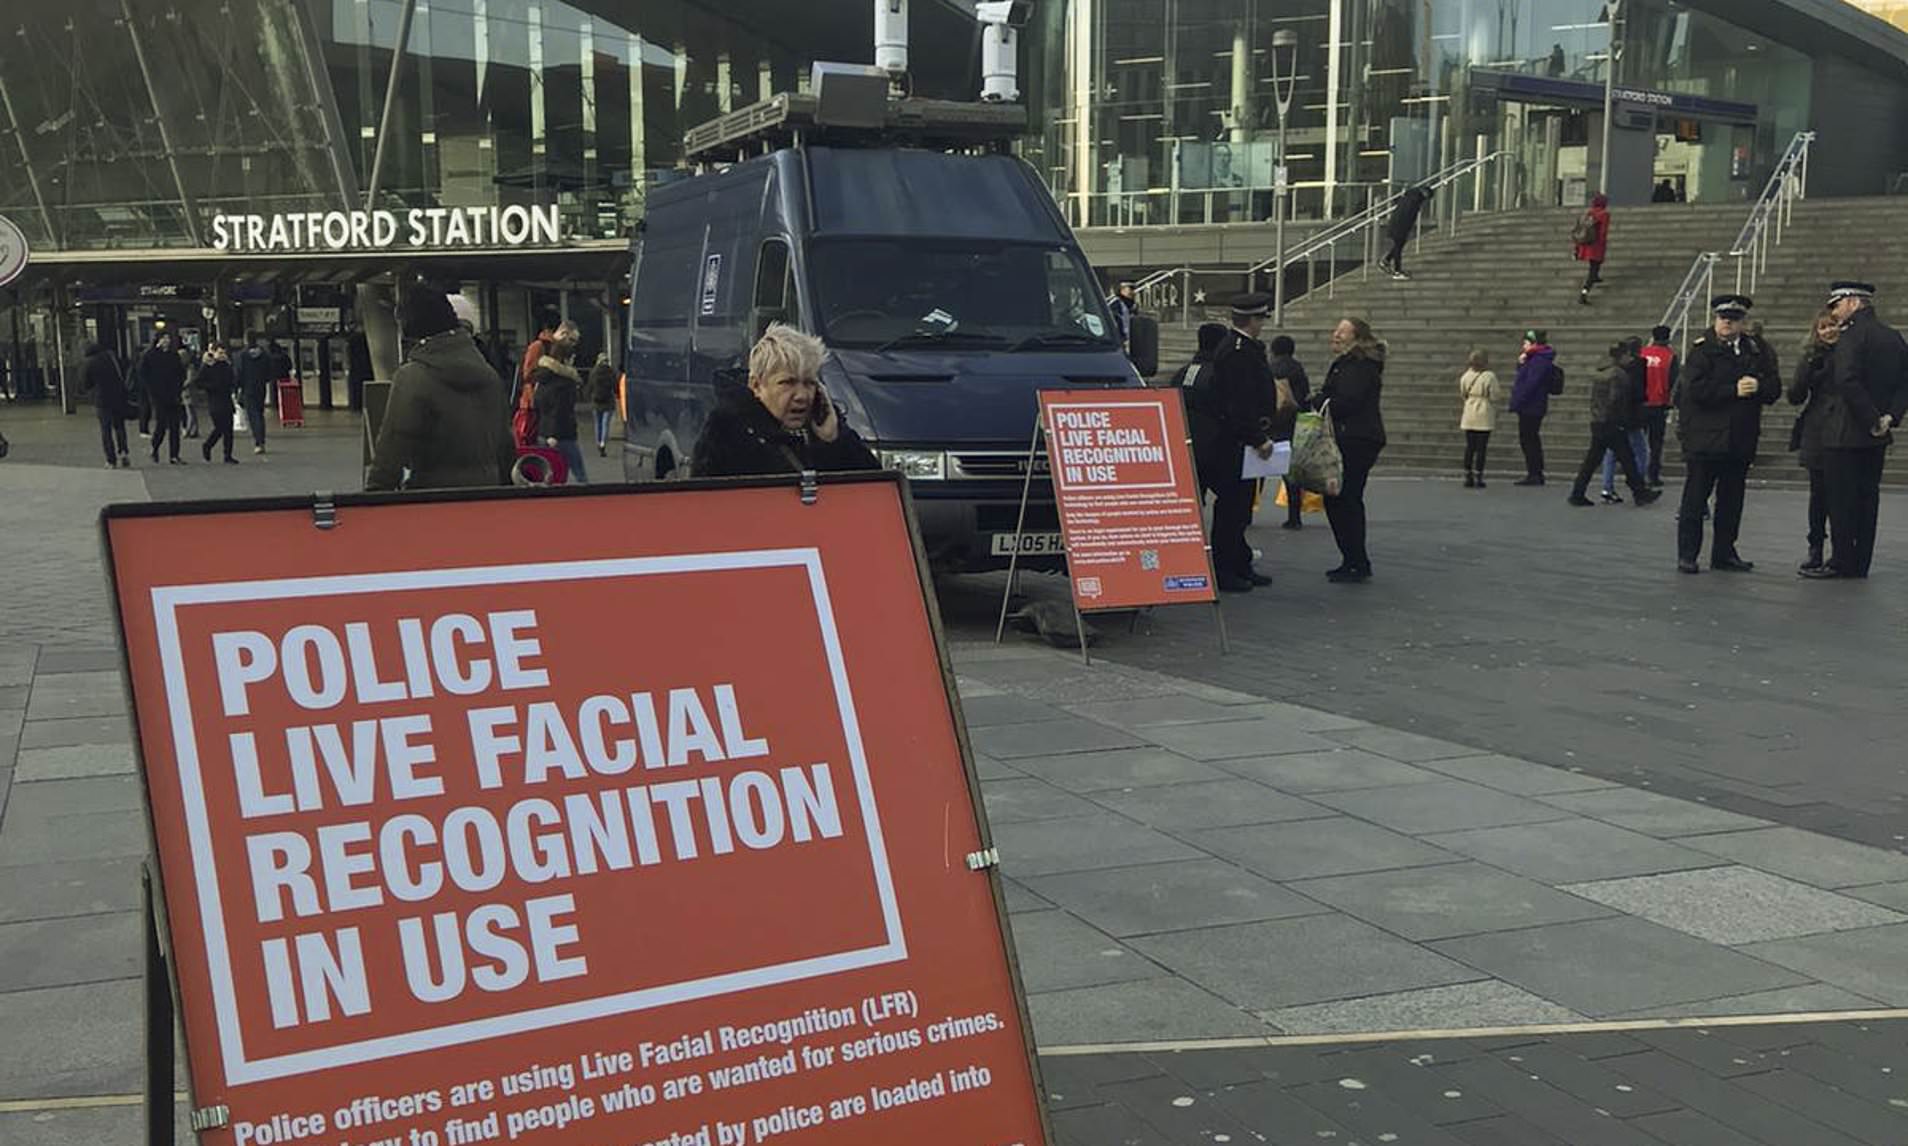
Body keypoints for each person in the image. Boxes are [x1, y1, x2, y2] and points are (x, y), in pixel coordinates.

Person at [365, 284, 516, 492]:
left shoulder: (413, 376)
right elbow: (505, 444)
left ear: (409, 324)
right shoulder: (489, 375)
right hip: (487, 494)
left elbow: (394, 443)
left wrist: (375, 494)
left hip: (433, 497)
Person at [1804, 281, 1908, 580]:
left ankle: (1841, 561)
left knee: (1841, 500)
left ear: (1852, 302)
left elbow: (1847, 380)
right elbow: (1905, 381)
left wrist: (1870, 418)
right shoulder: (1892, 336)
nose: (1834, 313)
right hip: (1877, 435)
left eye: (1836, 305)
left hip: (1845, 431)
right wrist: (1889, 416)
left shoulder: (1851, 337)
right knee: (1867, 499)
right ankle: (1861, 562)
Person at [1676, 294, 1780, 574]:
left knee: (1732, 501)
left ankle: (1724, 552)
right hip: (1706, 437)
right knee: (1696, 499)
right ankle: (1688, 553)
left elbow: (1775, 387)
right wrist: (1732, 390)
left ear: (1743, 323)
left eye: (1733, 320)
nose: (1727, 325)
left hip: (1740, 437)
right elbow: (1695, 391)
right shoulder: (1701, 350)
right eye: (1723, 319)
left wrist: (1758, 386)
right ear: (1715, 319)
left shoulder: (1757, 349)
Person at [691, 323, 879, 478]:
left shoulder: (826, 427)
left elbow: (874, 490)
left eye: (809, 383)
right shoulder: (726, 432)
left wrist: (833, 441)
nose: (802, 396)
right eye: (788, 383)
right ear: (756, 385)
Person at [1187, 295, 1282, 592]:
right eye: (1262, 318)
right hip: (1234, 441)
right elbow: (1238, 402)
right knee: (1233, 507)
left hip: (1237, 438)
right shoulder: (1238, 351)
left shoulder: (1240, 348)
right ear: (1253, 320)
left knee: (1240, 508)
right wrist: (1257, 438)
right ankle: (1225, 568)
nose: (1263, 323)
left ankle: (1239, 562)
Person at [1318, 316, 1387, 582]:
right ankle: (1353, 559)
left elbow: (1347, 401)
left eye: (1342, 332)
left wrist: (1320, 399)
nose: (1335, 335)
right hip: (1357, 436)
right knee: (1343, 498)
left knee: (1344, 498)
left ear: (1357, 338)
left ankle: (1356, 560)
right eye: (1335, 330)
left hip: (1355, 438)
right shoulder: (1354, 364)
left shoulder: (1357, 365)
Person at [1569, 339, 1662, 509]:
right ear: (1623, 355)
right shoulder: (1618, 374)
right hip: (1612, 423)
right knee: (1627, 459)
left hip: (1598, 421)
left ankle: (1578, 492)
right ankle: (1639, 492)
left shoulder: (1601, 372)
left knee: (1592, 461)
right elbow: (1616, 400)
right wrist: (1621, 420)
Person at [1787, 307, 1841, 573]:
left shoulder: (1851, 354)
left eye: (1832, 325)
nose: (1829, 330)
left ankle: (1842, 549)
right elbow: (1794, 395)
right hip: (1817, 431)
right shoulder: (1810, 357)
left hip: (1844, 430)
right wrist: (1808, 370)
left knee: (1841, 494)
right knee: (1818, 495)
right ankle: (1816, 547)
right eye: (1823, 327)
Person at [1598, 338, 1650, 503]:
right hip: (1631, 414)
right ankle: (1637, 483)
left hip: (1612, 415)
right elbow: (1638, 392)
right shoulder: (1638, 366)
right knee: (1641, 451)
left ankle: (1607, 487)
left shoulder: (1611, 368)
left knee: (1611, 452)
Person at [531, 337, 588, 484]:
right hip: (563, 434)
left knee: (551, 475)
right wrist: (554, 434)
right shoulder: (565, 382)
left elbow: (536, 405)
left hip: (543, 432)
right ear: (565, 358)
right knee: (580, 475)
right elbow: (561, 411)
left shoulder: (541, 379)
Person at [1508, 328, 1561, 485]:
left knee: (1529, 438)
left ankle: (1535, 473)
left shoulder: (1539, 360)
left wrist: (1518, 400)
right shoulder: (1535, 358)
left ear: (1534, 344)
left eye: (1525, 343)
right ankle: (1535, 471)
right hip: (1532, 404)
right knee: (1530, 438)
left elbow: (1530, 383)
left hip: (1531, 405)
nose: (1523, 346)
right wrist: (1522, 363)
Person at [1269, 334, 1312, 528]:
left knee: (1257, 469)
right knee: (1290, 472)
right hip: (1296, 424)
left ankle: (1246, 513)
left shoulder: (1272, 367)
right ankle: (1294, 515)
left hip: (1274, 424)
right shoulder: (1298, 368)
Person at [1639, 325, 1678, 487]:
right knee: (1656, 442)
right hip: (1659, 402)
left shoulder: (1641, 353)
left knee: (1639, 440)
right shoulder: (1670, 356)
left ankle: (1637, 472)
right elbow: (1673, 380)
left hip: (1640, 402)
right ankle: (1653, 475)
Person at [81, 342, 131, 469]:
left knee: (106, 430)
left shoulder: (90, 363)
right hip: (118, 397)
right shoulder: (112, 358)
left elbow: (86, 383)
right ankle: (123, 452)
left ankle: (111, 460)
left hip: (102, 400)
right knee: (119, 427)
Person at [142, 333, 187, 465]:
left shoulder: (173, 356)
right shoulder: (150, 355)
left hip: (173, 395)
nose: (167, 341)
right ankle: (154, 447)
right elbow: (143, 374)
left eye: (168, 338)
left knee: (175, 426)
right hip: (158, 396)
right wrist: (151, 390)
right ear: (158, 340)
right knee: (161, 425)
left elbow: (181, 373)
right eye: (164, 338)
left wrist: (179, 388)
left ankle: (174, 455)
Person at [1458, 348, 1496, 489]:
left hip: (1469, 411)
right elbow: (1495, 395)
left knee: (1470, 446)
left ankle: (1468, 475)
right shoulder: (1490, 376)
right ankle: (1479, 475)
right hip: (1484, 411)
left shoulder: (1466, 376)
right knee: (1481, 448)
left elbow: (1463, 393)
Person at [196, 342, 239, 464]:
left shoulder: (226, 365)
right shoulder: (208, 366)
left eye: (224, 353)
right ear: (213, 352)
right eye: (220, 352)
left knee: (229, 430)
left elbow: (232, 379)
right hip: (215, 400)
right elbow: (198, 382)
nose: (222, 355)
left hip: (226, 399)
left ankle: (228, 455)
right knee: (220, 427)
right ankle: (207, 445)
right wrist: (211, 387)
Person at [1377, 184, 1431, 280]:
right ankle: (1397, 271)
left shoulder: (1408, 196)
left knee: (1399, 245)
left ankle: (1386, 261)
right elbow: (1408, 215)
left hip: (1396, 224)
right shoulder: (1414, 200)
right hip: (1400, 225)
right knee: (1398, 246)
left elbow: (1397, 202)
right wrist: (1406, 228)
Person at [236, 335, 273, 455]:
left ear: (246, 340)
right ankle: (261, 441)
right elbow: (269, 371)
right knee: (260, 414)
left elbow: (239, 373)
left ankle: (258, 441)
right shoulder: (264, 355)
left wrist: (238, 387)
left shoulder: (242, 355)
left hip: (248, 388)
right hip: (260, 387)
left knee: (252, 416)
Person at [1574, 193, 1610, 305]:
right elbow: (1603, 231)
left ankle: (1596, 277)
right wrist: (1603, 242)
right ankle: (1584, 293)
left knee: (1593, 265)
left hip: (1587, 245)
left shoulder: (1589, 213)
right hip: (1597, 245)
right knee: (1593, 269)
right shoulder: (1604, 214)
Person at [589, 352, 617, 457]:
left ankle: (598, 442)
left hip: (596, 401)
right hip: (608, 401)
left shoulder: (593, 372)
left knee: (598, 424)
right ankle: (603, 443)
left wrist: (588, 396)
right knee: (605, 424)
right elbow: (615, 386)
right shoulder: (611, 372)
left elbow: (590, 386)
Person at [1109, 282, 1139, 352]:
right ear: (1122, 290)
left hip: (1129, 339)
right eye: (1130, 289)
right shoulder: (1116, 303)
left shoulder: (1132, 304)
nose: (1132, 292)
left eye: (1133, 290)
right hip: (1119, 338)